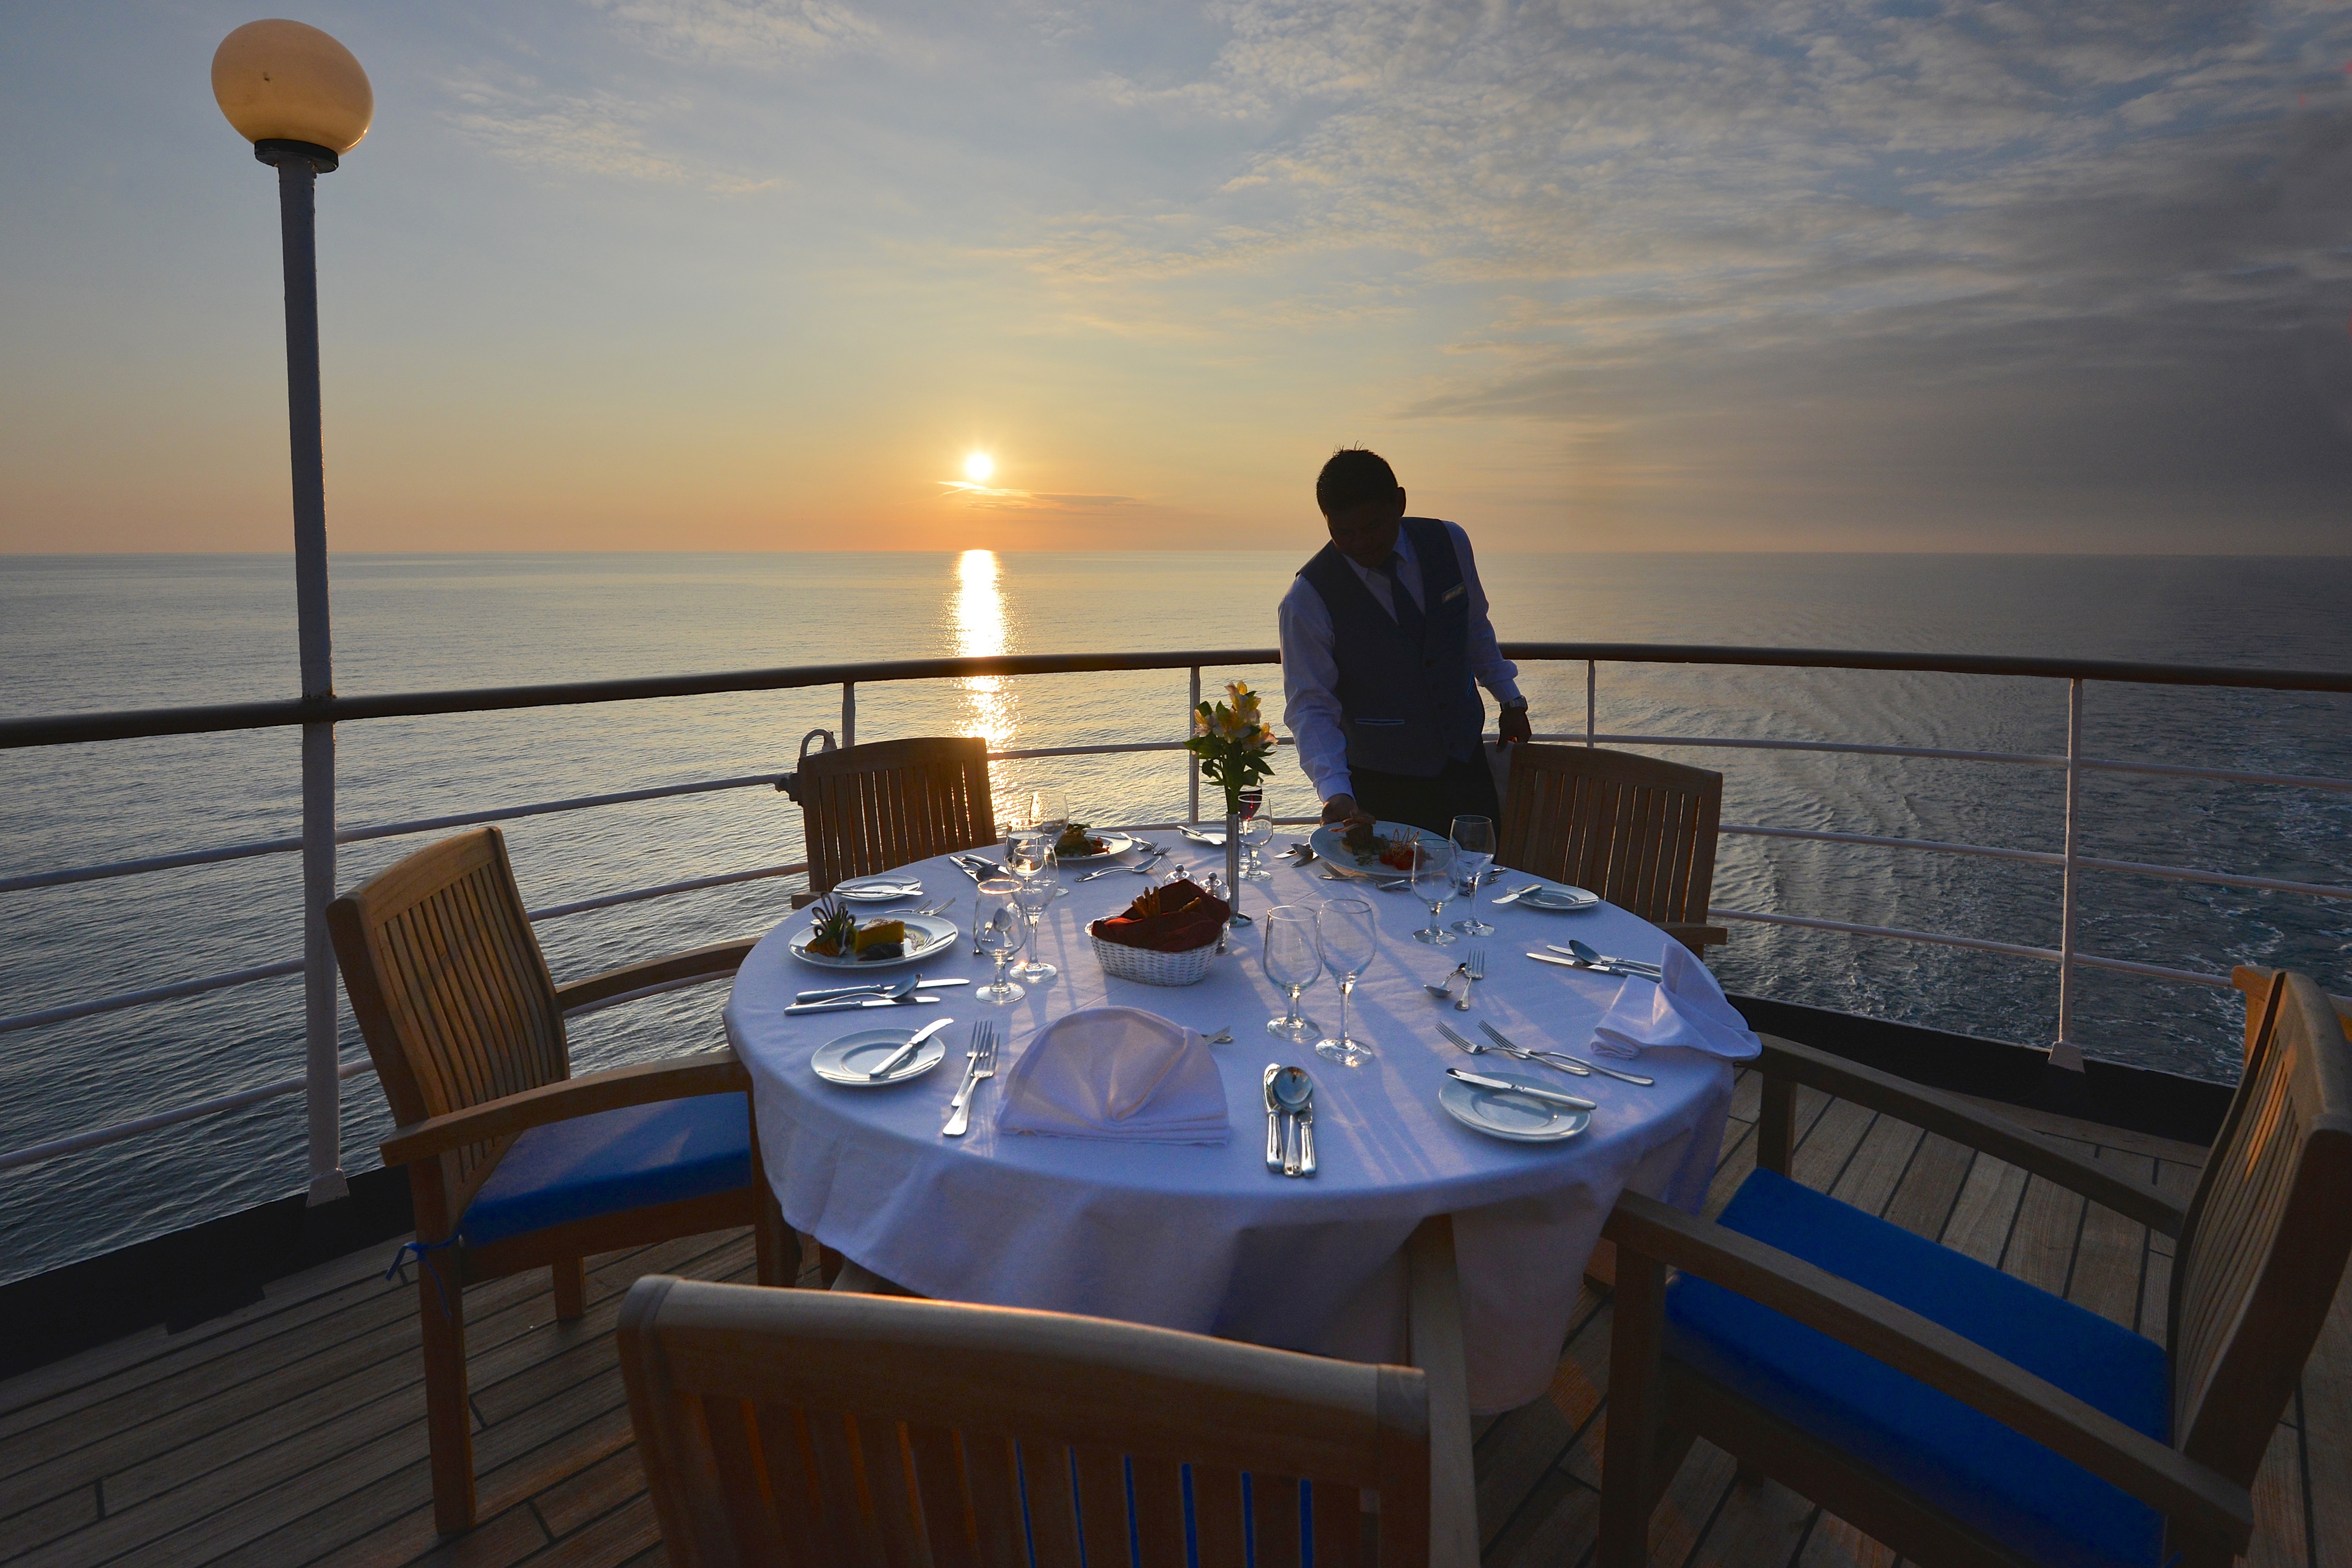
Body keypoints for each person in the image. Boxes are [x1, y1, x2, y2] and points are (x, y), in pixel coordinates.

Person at [1278, 447, 1532, 837]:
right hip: (1380, 786)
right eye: (1343, 532)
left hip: (1466, 765)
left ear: (1399, 502)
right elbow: (1310, 705)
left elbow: (1473, 627)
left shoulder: (1450, 541)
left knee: (1479, 880)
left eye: (1373, 526)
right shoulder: (1306, 599)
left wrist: (1510, 699)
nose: (1360, 543)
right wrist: (1334, 793)